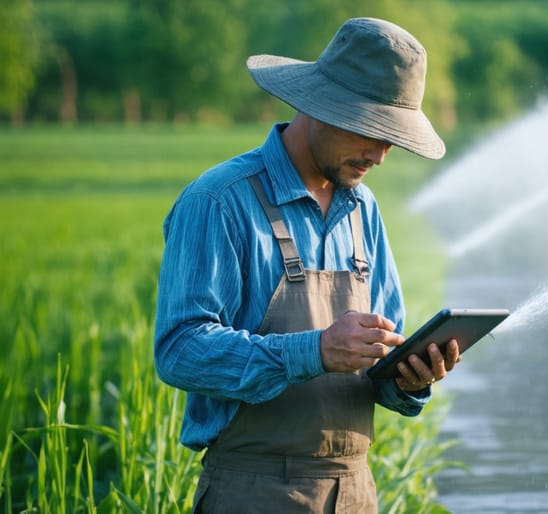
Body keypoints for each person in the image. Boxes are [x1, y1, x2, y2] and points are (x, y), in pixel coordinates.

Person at [153, 17, 460, 513]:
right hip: (252, 492)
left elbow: (377, 359)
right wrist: (314, 350)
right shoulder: (219, 200)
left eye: (392, 139)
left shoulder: (364, 209)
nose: (380, 155)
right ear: (318, 106)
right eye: (371, 131)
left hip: (356, 492)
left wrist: (411, 378)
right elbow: (179, 349)